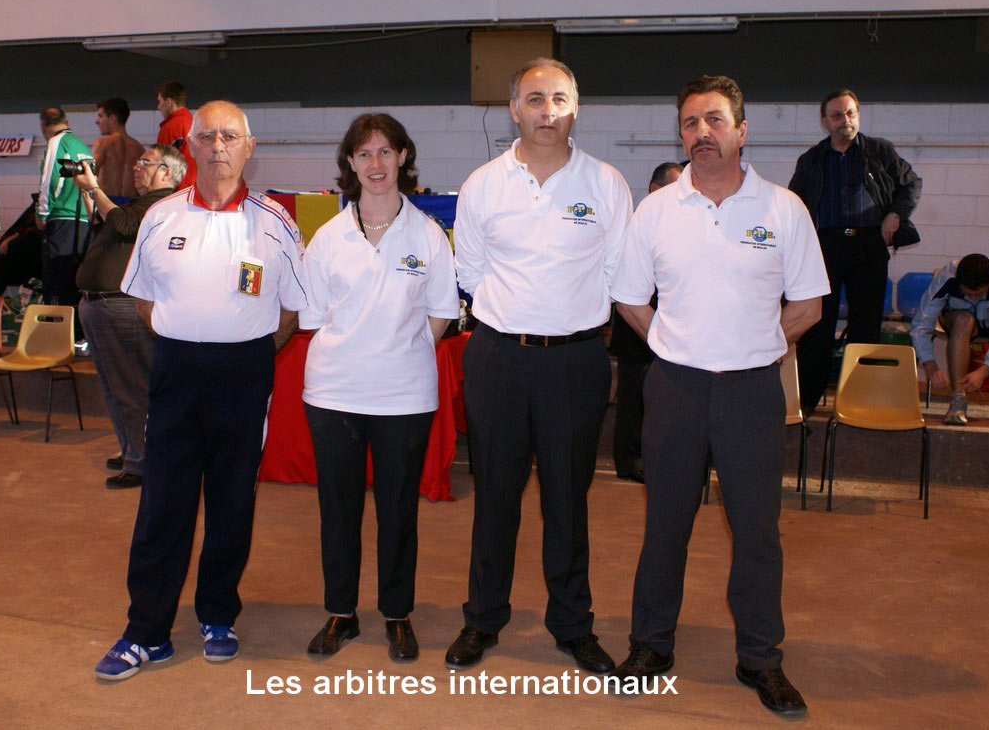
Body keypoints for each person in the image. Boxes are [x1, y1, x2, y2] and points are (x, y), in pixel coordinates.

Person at [612, 75, 828, 715]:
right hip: (675, 387)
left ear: (741, 130)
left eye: (713, 120)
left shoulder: (783, 209)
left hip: (752, 391)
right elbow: (629, 298)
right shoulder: (655, 211)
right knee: (664, 525)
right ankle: (651, 646)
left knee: (757, 530)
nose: (701, 133)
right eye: (690, 123)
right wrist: (674, 343)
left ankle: (760, 658)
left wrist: (754, 345)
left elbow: (809, 305)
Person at [94, 100, 307, 681]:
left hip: (245, 374)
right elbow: (143, 299)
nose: (218, 147)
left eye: (229, 137)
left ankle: (218, 616)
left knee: (232, 501)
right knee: (163, 501)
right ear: (189, 147)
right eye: (207, 136)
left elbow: (292, 309)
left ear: (249, 147)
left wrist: (247, 348)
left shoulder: (276, 223)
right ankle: (146, 631)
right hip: (176, 372)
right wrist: (185, 336)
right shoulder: (161, 216)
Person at [448, 58, 632, 674]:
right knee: (495, 496)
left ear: (575, 109)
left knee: (568, 499)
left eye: (558, 99)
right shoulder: (483, 185)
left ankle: (572, 624)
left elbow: (619, 273)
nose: (546, 111)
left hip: (576, 361)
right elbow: (470, 272)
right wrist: (516, 318)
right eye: (534, 99)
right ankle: (483, 618)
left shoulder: (606, 184)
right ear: (513, 109)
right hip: (499, 358)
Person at [301, 113, 459, 662]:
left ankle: (397, 614)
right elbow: (314, 316)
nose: (375, 163)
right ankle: (340, 613)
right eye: (364, 153)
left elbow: (441, 313)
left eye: (385, 152)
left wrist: (399, 349)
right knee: (338, 510)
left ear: (402, 158)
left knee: (397, 511)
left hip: (404, 397)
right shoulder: (328, 238)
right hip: (334, 395)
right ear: (350, 162)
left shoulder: (428, 235)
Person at [790, 88, 922, 415]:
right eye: (837, 115)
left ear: (858, 115)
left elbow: (911, 184)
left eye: (850, 113)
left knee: (866, 326)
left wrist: (895, 215)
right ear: (825, 122)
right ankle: (808, 402)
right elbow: (794, 204)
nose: (845, 120)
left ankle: (860, 400)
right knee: (817, 325)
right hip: (825, 247)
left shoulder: (880, 151)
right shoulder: (811, 159)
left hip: (869, 244)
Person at [71, 144, 185, 489]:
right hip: (103, 305)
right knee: (114, 386)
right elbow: (110, 222)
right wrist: (89, 193)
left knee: (130, 388)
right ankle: (131, 450)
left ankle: (141, 462)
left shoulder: (161, 203)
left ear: (166, 172)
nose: (137, 167)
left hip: (119, 306)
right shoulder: (141, 204)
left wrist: (94, 187)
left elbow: (122, 224)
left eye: (145, 163)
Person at [610, 161, 683, 482]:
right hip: (635, 330)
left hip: (666, 329)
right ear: (655, 189)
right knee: (632, 401)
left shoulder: (681, 225)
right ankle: (629, 461)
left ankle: (653, 458)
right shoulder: (637, 223)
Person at [911, 254, 989, 425]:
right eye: (968, 293)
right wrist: (930, 365)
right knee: (965, 320)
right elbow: (921, 325)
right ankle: (958, 399)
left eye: (980, 294)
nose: (974, 298)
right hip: (956, 319)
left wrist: (985, 370)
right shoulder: (947, 277)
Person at [35, 108, 94, 308]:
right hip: (84, 221)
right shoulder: (82, 146)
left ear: (42, 126)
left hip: (62, 221)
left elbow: (51, 180)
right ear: (66, 122)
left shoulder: (56, 142)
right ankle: (75, 327)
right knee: (75, 285)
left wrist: (42, 213)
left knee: (56, 286)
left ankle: (55, 326)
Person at [92, 97, 146, 201]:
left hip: (106, 204)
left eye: (100, 116)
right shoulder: (139, 149)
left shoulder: (102, 143)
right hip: (131, 205)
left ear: (113, 119)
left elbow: (89, 176)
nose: (96, 121)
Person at [156, 81, 196, 190]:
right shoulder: (194, 123)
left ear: (168, 102)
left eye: (159, 101)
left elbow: (161, 167)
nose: (158, 107)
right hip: (197, 190)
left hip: (177, 191)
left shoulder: (169, 128)